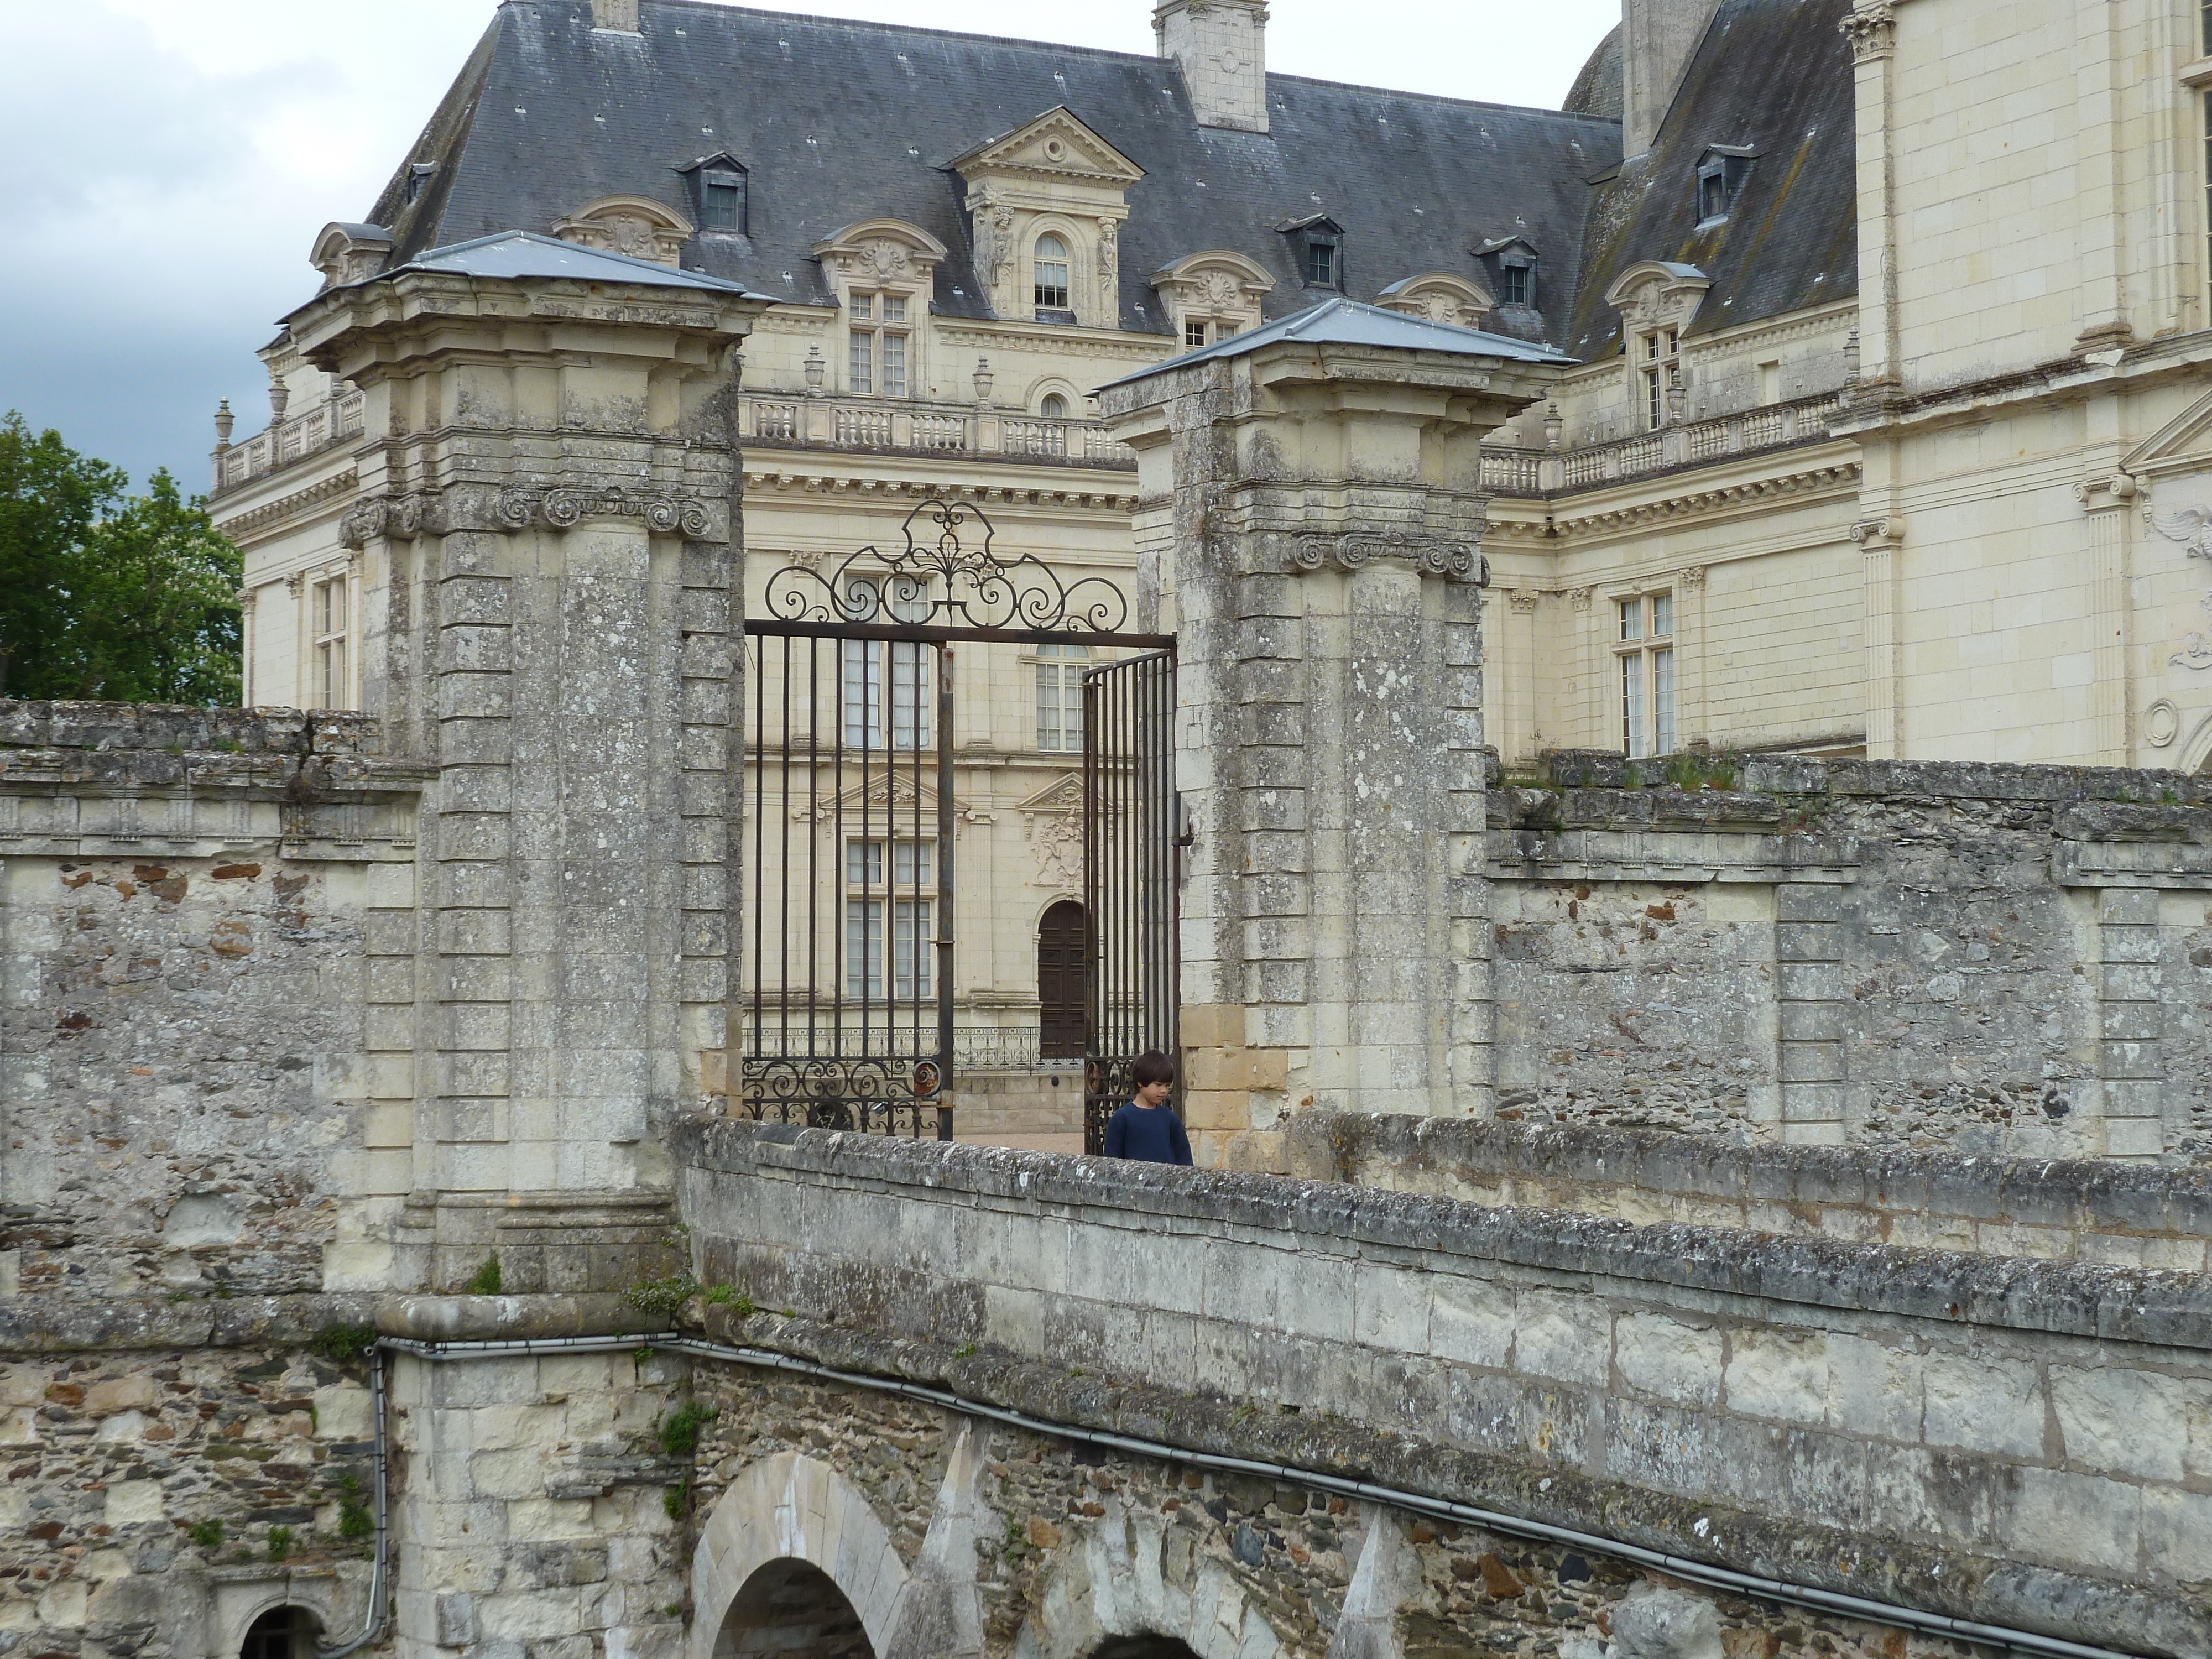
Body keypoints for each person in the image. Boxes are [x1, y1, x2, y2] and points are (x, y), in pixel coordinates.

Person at [1101, 1050, 1192, 1165]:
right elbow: (1112, 1163)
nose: (1164, 1090)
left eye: (1167, 1086)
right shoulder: (1121, 1119)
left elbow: (1184, 1159)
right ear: (1140, 1082)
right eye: (1158, 1085)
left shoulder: (1171, 1119)